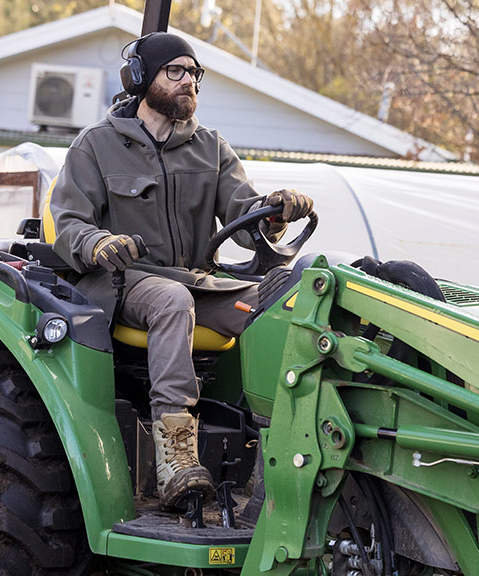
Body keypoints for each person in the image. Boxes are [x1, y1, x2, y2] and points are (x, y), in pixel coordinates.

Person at [49, 32, 314, 510]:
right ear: (142, 78)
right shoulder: (96, 146)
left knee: (282, 306)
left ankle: (284, 452)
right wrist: (100, 242)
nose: (189, 81)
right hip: (125, 281)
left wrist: (274, 211)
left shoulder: (211, 147)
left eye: (195, 74)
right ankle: (175, 457)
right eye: (177, 71)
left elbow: (242, 214)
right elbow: (68, 226)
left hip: (197, 278)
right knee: (173, 301)